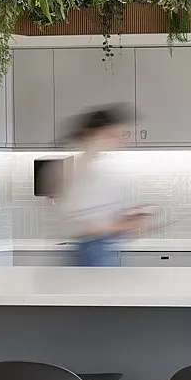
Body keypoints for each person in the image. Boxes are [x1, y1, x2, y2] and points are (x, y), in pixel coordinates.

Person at [62, 106, 148, 266]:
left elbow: (101, 211)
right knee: (96, 290)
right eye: (112, 135)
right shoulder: (78, 168)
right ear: (93, 133)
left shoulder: (99, 166)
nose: (119, 140)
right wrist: (121, 225)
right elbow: (79, 224)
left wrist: (130, 217)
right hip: (93, 249)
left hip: (105, 246)